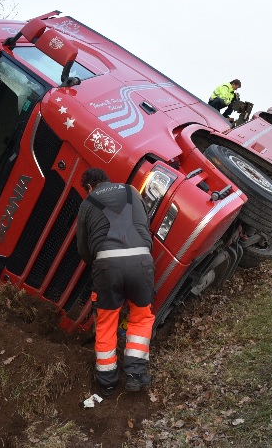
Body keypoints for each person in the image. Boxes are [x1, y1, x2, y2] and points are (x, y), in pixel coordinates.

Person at [76, 167, 155, 396]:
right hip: (142, 261)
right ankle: (135, 374)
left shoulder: (88, 203)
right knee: (141, 317)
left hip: (108, 266)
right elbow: (144, 225)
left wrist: (100, 262)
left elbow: (83, 249)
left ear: (89, 187)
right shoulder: (132, 191)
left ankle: (108, 381)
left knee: (107, 322)